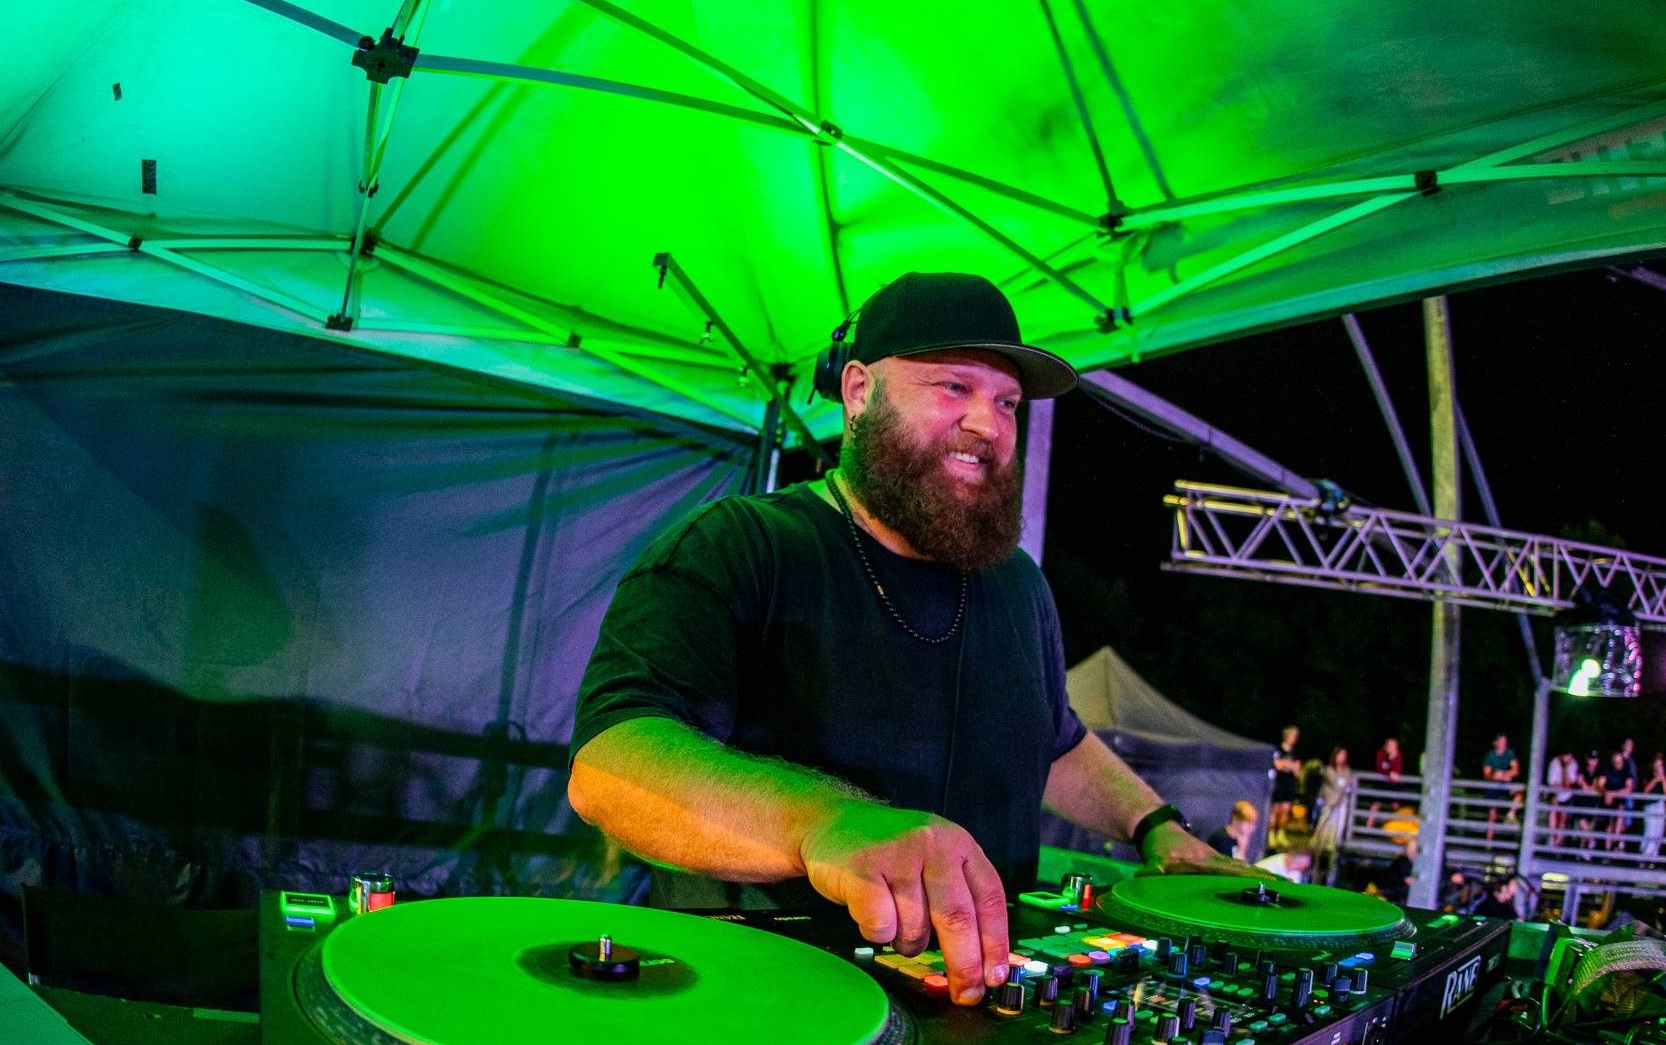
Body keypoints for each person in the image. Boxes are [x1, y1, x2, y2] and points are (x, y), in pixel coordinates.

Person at [567, 271, 1248, 1006]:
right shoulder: (737, 548)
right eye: (954, 387)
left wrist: (1155, 825)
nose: (988, 425)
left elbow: (1052, 742)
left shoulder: (1019, 585)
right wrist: (828, 823)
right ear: (860, 392)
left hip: (984, 1002)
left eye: (1007, 402)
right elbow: (610, 766)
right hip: (762, 1008)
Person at [1311, 746, 1357, 882]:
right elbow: (1336, 784)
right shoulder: (1329, 769)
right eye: (1340, 755)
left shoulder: (1346, 769)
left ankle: (1333, 846)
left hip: (1341, 804)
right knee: (1325, 824)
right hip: (1330, 803)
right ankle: (1319, 847)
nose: (1342, 758)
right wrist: (1343, 784)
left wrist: (1343, 783)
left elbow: (1349, 782)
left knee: (1337, 827)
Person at [1481, 733, 1520, 840]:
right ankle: (1488, 843)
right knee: (1492, 816)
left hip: (1505, 785)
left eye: (1505, 742)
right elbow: (1486, 774)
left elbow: (1516, 770)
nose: (1503, 744)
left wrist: (1504, 774)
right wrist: (1494, 775)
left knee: (1520, 791)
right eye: (1501, 742)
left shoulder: (1510, 752)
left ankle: (1511, 814)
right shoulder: (1490, 755)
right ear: (1495, 743)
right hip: (1492, 787)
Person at [1596, 748, 1636, 853]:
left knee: (1620, 812)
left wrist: (1614, 794)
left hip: (1619, 799)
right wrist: (1607, 793)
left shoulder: (1626, 770)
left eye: (1619, 762)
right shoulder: (1607, 768)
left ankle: (1615, 842)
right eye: (1615, 762)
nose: (1617, 765)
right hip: (1608, 800)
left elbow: (1629, 787)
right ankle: (1608, 850)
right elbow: (1600, 784)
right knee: (1609, 824)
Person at [1270, 727, 1304, 829]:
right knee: (1275, 808)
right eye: (1292, 736)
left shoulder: (1295, 752)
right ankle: (1271, 832)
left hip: (1290, 782)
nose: (1294, 739)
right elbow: (1277, 765)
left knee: (1286, 808)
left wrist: (1285, 763)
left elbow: (1298, 768)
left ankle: (1281, 832)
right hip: (1278, 781)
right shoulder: (1278, 750)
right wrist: (1289, 764)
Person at [1639, 752, 1666, 859]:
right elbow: (1645, 791)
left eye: (1661, 765)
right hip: (1650, 805)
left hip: (1660, 805)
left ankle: (1654, 856)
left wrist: (1663, 779)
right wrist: (1655, 780)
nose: (1659, 767)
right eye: (1657, 764)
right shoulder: (1648, 775)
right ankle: (1645, 855)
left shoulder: (1663, 776)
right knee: (1650, 830)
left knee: (1659, 831)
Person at [1545, 750, 1581, 847]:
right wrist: (1558, 790)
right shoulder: (1554, 762)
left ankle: (1557, 843)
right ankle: (1551, 838)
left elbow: (1569, 784)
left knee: (1563, 818)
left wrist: (1565, 768)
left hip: (1567, 795)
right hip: (1555, 793)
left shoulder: (1573, 764)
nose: (1567, 758)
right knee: (1553, 809)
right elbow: (1551, 783)